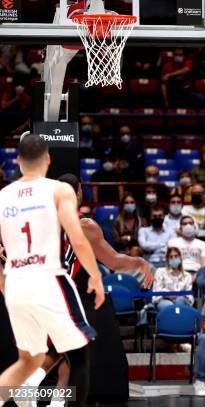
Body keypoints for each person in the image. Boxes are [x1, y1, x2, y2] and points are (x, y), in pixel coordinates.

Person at [17, 173, 153, 407]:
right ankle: (31, 387)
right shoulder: (86, 226)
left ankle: (52, 398)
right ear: (79, 194)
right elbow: (114, 261)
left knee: (66, 351)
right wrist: (139, 262)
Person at [0, 134, 105, 406]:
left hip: (15, 283)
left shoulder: (3, 195)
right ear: (47, 159)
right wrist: (95, 275)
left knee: (29, 361)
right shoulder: (58, 190)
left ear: (19, 161)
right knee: (80, 354)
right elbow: (78, 238)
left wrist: (3, 281)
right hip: (47, 278)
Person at [139, 248, 194, 326]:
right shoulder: (160, 272)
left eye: (176, 256)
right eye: (171, 257)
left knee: (180, 302)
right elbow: (157, 291)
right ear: (167, 259)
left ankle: (179, 328)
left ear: (180, 258)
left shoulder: (187, 276)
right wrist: (168, 295)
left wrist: (178, 295)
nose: (173, 259)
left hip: (181, 300)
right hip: (163, 300)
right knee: (170, 307)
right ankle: (173, 329)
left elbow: (189, 296)